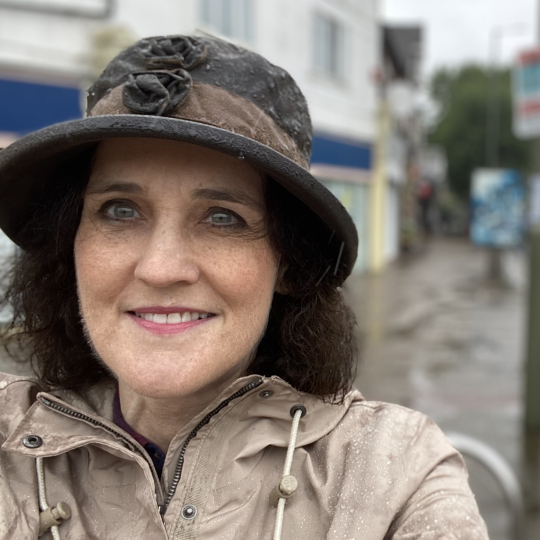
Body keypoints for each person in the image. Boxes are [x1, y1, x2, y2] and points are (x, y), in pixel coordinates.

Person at [0, 35, 488, 539]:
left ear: (289, 262)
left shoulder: (393, 474)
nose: (162, 268)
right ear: (69, 243)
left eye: (222, 218)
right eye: (120, 210)